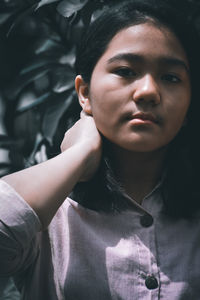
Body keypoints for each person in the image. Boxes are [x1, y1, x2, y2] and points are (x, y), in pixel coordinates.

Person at [1, 0, 200, 299]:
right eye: (125, 70)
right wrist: (79, 154)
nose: (147, 91)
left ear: (189, 107)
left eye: (170, 77)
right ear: (84, 93)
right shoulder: (48, 213)